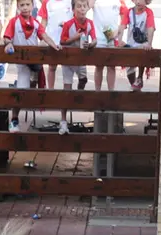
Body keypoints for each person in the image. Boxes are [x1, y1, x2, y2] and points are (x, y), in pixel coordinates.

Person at [3, 0, 62, 133]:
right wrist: (8, 43)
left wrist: (54, 45)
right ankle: (14, 120)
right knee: (21, 91)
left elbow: (44, 36)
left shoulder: (35, 23)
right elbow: (7, 37)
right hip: (22, 64)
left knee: (31, 88)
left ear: (32, 6)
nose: (25, 8)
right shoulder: (14, 22)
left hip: (34, 62)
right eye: (22, 5)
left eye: (27, 5)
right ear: (18, 7)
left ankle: (31, 93)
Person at [59, 0, 97, 135]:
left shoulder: (90, 23)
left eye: (84, 6)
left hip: (81, 60)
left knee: (84, 79)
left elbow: (95, 39)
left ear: (88, 8)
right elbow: (62, 41)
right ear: (73, 9)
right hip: (68, 61)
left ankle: (77, 96)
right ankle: (63, 121)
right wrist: (74, 38)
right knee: (66, 89)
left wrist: (91, 44)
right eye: (79, 6)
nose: (82, 9)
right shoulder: (68, 24)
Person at [38, 0, 77, 90]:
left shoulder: (71, 1)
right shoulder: (46, 2)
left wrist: (67, 25)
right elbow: (44, 21)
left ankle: (67, 94)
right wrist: (41, 37)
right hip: (52, 40)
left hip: (68, 40)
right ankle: (51, 91)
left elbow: (76, 18)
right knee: (52, 67)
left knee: (67, 69)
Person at [117, 0, 155, 91]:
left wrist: (149, 43)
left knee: (143, 52)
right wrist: (119, 40)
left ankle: (140, 77)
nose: (138, 2)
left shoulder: (148, 12)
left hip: (143, 43)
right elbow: (122, 26)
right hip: (131, 43)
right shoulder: (129, 12)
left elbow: (151, 28)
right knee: (129, 70)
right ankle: (136, 88)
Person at [89, 0, 127, 90]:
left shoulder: (120, 1)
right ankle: (97, 91)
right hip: (98, 38)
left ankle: (111, 92)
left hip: (112, 39)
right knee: (99, 66)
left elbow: (124, 19)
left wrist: (117, 32)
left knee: (111, 66)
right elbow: (89, 5)